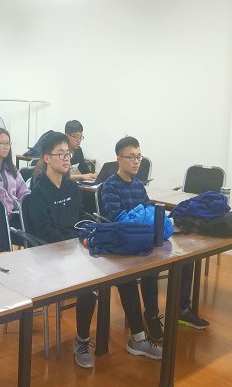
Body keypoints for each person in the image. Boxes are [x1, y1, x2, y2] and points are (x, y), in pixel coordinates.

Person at [27, 132, 162, 369]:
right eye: (61, 154)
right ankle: (81, 341)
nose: (67, 159)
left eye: (68, 154)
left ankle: (138, 338)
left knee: (124, 273)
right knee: (88, 287)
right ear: (47, 158)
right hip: (53, 255)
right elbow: (46, 234)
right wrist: (78, 243)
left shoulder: (71, 186)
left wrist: (90, 233)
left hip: (77, 249)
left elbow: (81, 216)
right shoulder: (38, 193)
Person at [101, 136, 209, 341]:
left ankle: (182, 309)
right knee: (151, 268)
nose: (136, 162)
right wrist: (146, 221)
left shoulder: (138, 184)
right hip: (126, 243)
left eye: (139, 157)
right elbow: (120, 220)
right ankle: (151, 316)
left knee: (186, 259)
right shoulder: (110, 186)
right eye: (131, 157)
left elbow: (149, 211)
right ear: (119, 159)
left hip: (145, 237)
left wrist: (151, 222)